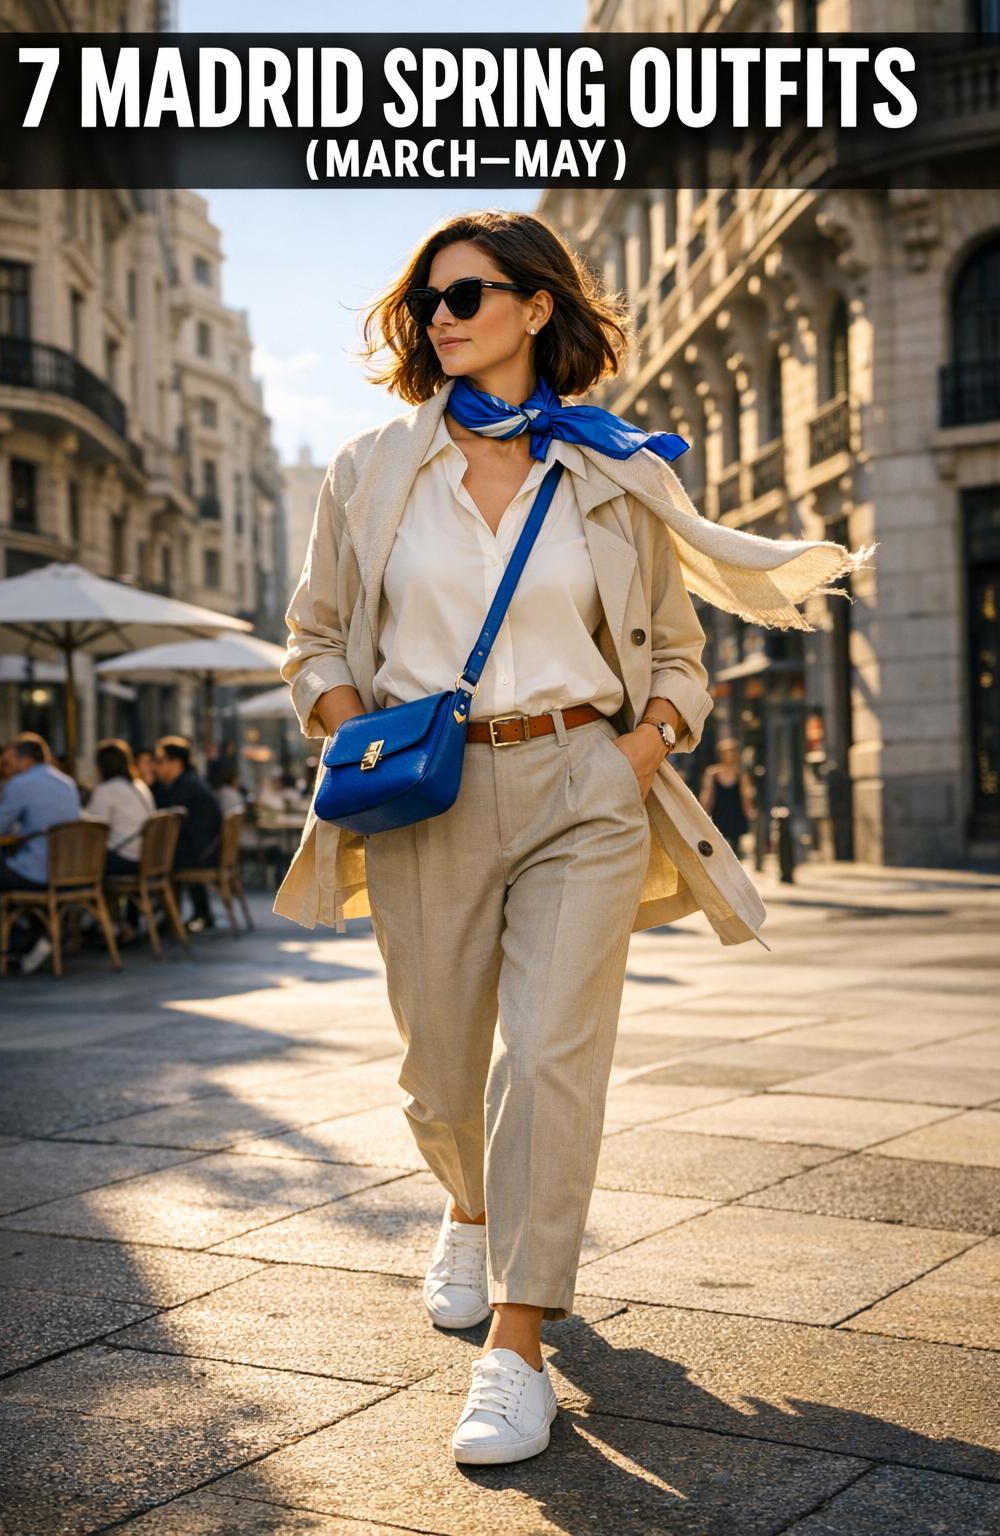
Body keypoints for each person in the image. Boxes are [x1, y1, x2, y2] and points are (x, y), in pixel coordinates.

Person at [276, 209, 872, 1467]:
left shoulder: (612, 472)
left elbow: (675, 654)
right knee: (437, 1067)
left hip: (582, 787)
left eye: (469, 294)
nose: (440, 317)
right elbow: (315, 637)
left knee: (550, 1057)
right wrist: (354, 729)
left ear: (536, 307)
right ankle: (469, 1202)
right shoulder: (372, 466)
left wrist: (638, 746)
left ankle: (515, 1347)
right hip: (424, 790)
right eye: (428, 300)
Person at [0, 735, 80, 972]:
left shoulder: (21, 784)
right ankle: (16, 936)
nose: (5, 769)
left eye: (8, 763)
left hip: (38, 869)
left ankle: (13, 939)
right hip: (70, 868)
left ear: (24, 761)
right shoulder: (66, 782)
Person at [151, 736, 223, 930]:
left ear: (175, 762)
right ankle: (198, 912)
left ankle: (167, 918)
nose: (155, 767)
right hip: (208, 850)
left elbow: (169, 822)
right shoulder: (189, 781)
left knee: (152, 862)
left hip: (201, 854)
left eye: (160, 761)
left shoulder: (184, 786)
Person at [86, 739, 155, 876]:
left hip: (127, 860)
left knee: (86, 859)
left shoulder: (106, 789)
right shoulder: (140, 785)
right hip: (149, 857)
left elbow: (95, 829)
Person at [700, 737, 756, 860]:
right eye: (725, 751)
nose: (728, 755)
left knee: (736, 846)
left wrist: (749, 811)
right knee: (719, 844)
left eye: (731, 751)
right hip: (719, 812)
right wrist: (703, 812)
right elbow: (707, 794)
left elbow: (745, 794)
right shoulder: (712, 773)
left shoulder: (741, 773)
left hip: (735, 813)